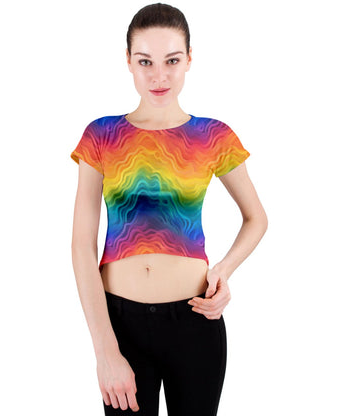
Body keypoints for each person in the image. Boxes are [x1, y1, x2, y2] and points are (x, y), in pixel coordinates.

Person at [70, 3, 268, 415]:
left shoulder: (212, 135)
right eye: (145, 61)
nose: (159, 76)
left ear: (189, 59)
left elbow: (256, 218)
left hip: (196, 322)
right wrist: (105, 351)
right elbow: (81, 246)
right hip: (119, 323)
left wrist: (223, 270)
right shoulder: (102, 134)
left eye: (172, 61)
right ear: (128, 61)